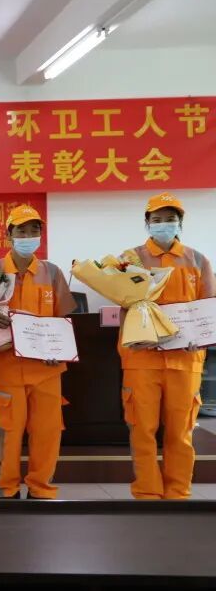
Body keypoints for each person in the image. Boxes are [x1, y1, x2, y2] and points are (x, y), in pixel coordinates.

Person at [0, 205, 75, 499]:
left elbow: (63, 318)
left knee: (48, 431)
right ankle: (7, 488)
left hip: (47, 368)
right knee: (10, 431)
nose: (28, 236)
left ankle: (41, 489)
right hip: (7, 367)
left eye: (34, 231)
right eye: (21, 231)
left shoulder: (52, 272)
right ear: (8, 235)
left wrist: (58, 347)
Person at [119, 193, 214, 499]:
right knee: (142, 429)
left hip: (186, 359)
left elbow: (208, 307)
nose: (164, 224)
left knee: (181, 431)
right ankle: (147, 493)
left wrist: (201, 335)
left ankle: (178, 493)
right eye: (157, 219)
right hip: (141, 357)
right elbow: (122, 301)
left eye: (170, 219)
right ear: (147, 222)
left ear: (180, 222)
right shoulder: (129, 259)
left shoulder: (198, 260)